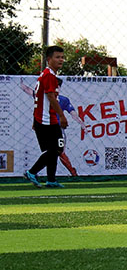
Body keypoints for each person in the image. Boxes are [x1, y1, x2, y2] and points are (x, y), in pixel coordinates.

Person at [24, 45, 69, 188]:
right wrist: (62, 116)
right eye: (57, 57)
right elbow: (50, 97)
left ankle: (51, 180)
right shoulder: (49, 76)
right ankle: (32, 172)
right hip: (47, 120)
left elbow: (39, 98)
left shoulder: (46, 74)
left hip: (41, 119)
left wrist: (34, 120)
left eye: (62, 57)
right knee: (56, 149)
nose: (61, 60)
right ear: (49, 59)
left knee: (54, 149)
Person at [20, 77, 84, 176]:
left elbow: (73, 114)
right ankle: (72, 172)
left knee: (54, 152)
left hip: (48, 128)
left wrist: (82, 124)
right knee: (57, 151)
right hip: (54, 129)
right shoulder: (46, 97)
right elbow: (28, 91)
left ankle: (50, 178)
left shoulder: (61, 99)